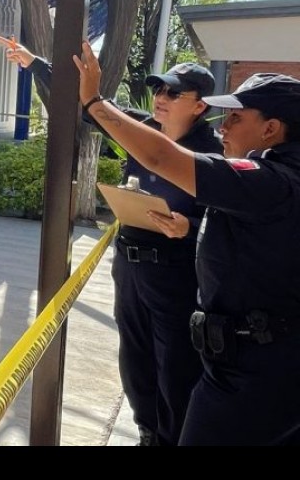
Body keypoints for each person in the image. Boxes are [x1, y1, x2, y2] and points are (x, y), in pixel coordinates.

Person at [0, 35, 221, 446]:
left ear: (200, 106)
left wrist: (188, 227)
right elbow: (92, 105)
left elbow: (223, 220)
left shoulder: (214, 153)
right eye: (159, 89)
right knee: (135, 360)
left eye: (173, 93)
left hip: (176, 274)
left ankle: (171, 438)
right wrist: (34, 63)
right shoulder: (141, 130)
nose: (161, 98)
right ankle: (147, 433)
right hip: (130, 266)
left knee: (174, 365)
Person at [75, 40, 300, 446]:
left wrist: (93, 100)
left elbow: (161, 158)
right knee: (141, 369)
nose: (223, 126)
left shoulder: (271, 181)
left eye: (236, 117)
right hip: (245, 358)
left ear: (270, 129)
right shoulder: (275, 175)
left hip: (254, 370)